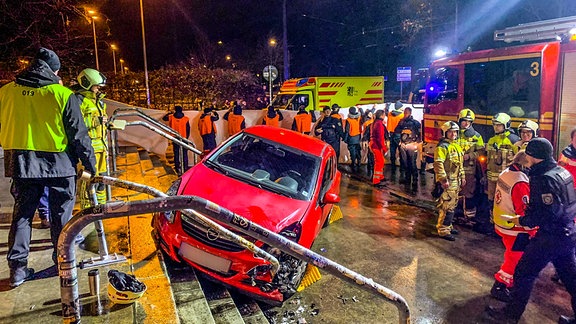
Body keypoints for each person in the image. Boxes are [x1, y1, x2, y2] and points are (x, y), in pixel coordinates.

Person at [0, 47, 96, 287]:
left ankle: (17, 270)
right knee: (61, 215)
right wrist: (90, 164)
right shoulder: (62, 94)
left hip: (22, 162)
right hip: (59, 163)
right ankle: (63, 260)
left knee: (22, 215)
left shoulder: (6, 92)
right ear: (54, 70)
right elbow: (79, 135)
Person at [485, 138, 576, 324]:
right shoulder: (561, 171)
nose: (525, 155)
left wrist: (522, 220)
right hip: (568, 233)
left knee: (523, 273)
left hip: (550, 236)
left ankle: (509, 316)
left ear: (534, 156)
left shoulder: (542, 178)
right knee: (571, 279)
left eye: (528, 152)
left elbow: (546, 213)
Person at [491, 151, 536, 302]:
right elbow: (523, 211)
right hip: (515, 229)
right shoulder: (520, 182)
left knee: (511, 254)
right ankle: (500, 285)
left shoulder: (506, 172)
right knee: (515, 258)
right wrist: (534, 228)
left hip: (502, 221)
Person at [74, 68, 109, 206]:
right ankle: (87, 210)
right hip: (88, 149)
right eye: (96, 86)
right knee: (88, 180)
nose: (98, 88)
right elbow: (77, 123)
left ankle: (100, 207)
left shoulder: (97, 100)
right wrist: (96, 122)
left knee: (102, 181)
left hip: (101, 148)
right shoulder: (79, 100)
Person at [481, 113, 520, 234]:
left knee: (505, 203)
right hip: (492, 178)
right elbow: (488, 159)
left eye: (499, 125)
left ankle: (507, 226)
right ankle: (493, 224)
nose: (496, 127)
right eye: (495, 125)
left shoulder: (514, 140)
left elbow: (518, 160)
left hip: (506, 180)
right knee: (491, 201)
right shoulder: (492, 140)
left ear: (506, 125)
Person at [433, 121, 465, 241]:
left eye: (455, 132)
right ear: (445, 133)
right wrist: (443, 180)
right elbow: (438, 164)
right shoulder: (442, 147)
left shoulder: (455, 146)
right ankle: (443, 230)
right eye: (450, 132)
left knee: (452, 205)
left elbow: (460, 164)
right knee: (446, 206)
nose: (453, 134)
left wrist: (462, 177)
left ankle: (448, 226)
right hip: (447, 182)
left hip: (455, 181)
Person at [455, 108, 485, 225]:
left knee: (469, 194)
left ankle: (469, 218)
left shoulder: (477, 136)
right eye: (464, 121)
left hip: (469, 171)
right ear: (459, 120)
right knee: (455, 193)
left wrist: (470, 156)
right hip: (455, 170)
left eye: (469, 121)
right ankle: (456, 215)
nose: (466, 123)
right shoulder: (454, 134)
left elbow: (481, 152)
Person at [395, 107, 421, 186]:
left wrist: (418, 143)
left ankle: (415, 179)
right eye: (404, 113)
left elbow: (421, 133)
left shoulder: (415, 123)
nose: (405, 114)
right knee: (404, 163)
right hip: (403, 144)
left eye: (407, 113)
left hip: (412, 144)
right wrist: (399, 142)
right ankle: (407, 178)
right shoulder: (401, 122)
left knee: (412, 163)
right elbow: (396, 132)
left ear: (410, 113)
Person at [163, 105, 190, 174]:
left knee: (176, 152)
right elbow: (188, 129)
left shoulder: (171, 117)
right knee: (184, 153)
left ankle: (177, 167)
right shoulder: (186, 119)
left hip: (175, 137)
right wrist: (187, 137)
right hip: (183, 137)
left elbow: (164, 118)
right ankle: (185, 166)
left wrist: (170, 113)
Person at [370, 110, 388, 187]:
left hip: (374, 144)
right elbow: (380, 138)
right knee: (379, 162)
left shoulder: (375, 123)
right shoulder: (379, 124)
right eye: (384, 115)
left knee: (380, 161)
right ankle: (376, 180)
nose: (385, 116)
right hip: (376, 145)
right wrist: (384, 148)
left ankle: (380, 177)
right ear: (381, 115)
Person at [344, 107, 362, 173]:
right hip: (358, 137)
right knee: (358, 150)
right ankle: (359, 162)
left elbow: (347, 130)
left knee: (352, 151)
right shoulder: (359, 118)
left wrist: (345, 139)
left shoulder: (348, 120)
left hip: (351, 138)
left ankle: (353, 163)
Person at [387, 101, 404, 168]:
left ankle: (393, 164)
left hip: (391, 133)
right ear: (400, 107)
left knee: (392, 149)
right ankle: (402, 165)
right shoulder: (402, 115)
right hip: (398, 134)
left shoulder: (389, 114)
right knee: (400, 150)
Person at [361, 110, 375, 180]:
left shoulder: (370, 123)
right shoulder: (367, 123)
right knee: (371, 157)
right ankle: (371, 170)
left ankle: (371, 171)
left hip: (373, 143)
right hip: (371, 143)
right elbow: (365, 133)